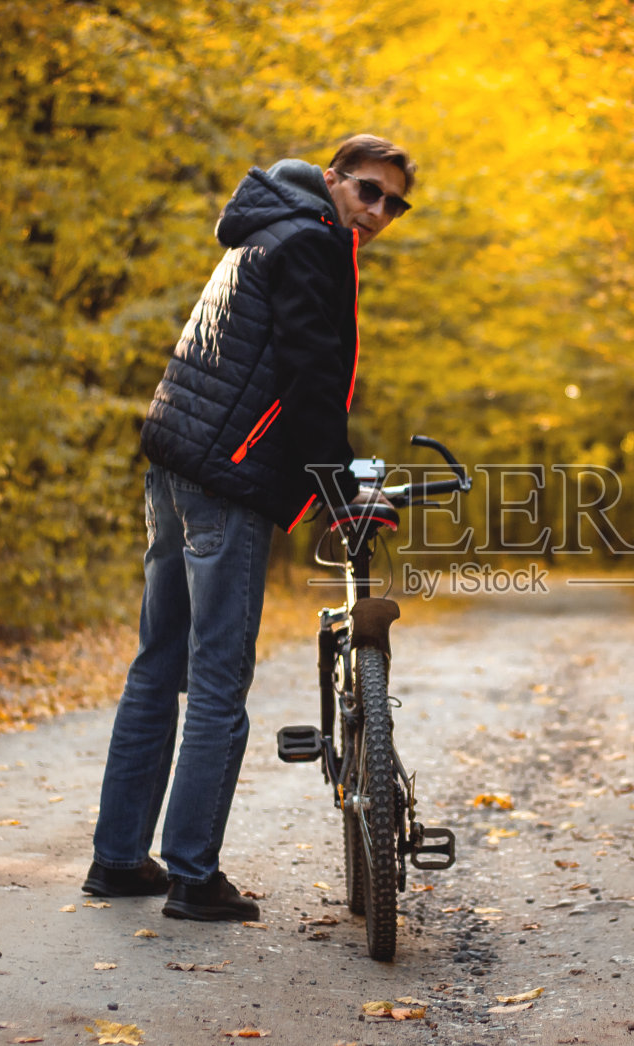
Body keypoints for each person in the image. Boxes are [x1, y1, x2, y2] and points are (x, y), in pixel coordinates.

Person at [82, 135, 416, 922]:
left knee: (158, 665)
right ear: (333, 179)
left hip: (175, 463)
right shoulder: (312, 243)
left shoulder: (265, 227)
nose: (378, 212)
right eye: (368, 191)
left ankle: (119, 858)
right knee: (218, 678)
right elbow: (308, 376)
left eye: (395, 204)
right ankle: (193, 874)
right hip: (225, 478)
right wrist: (338, 484)